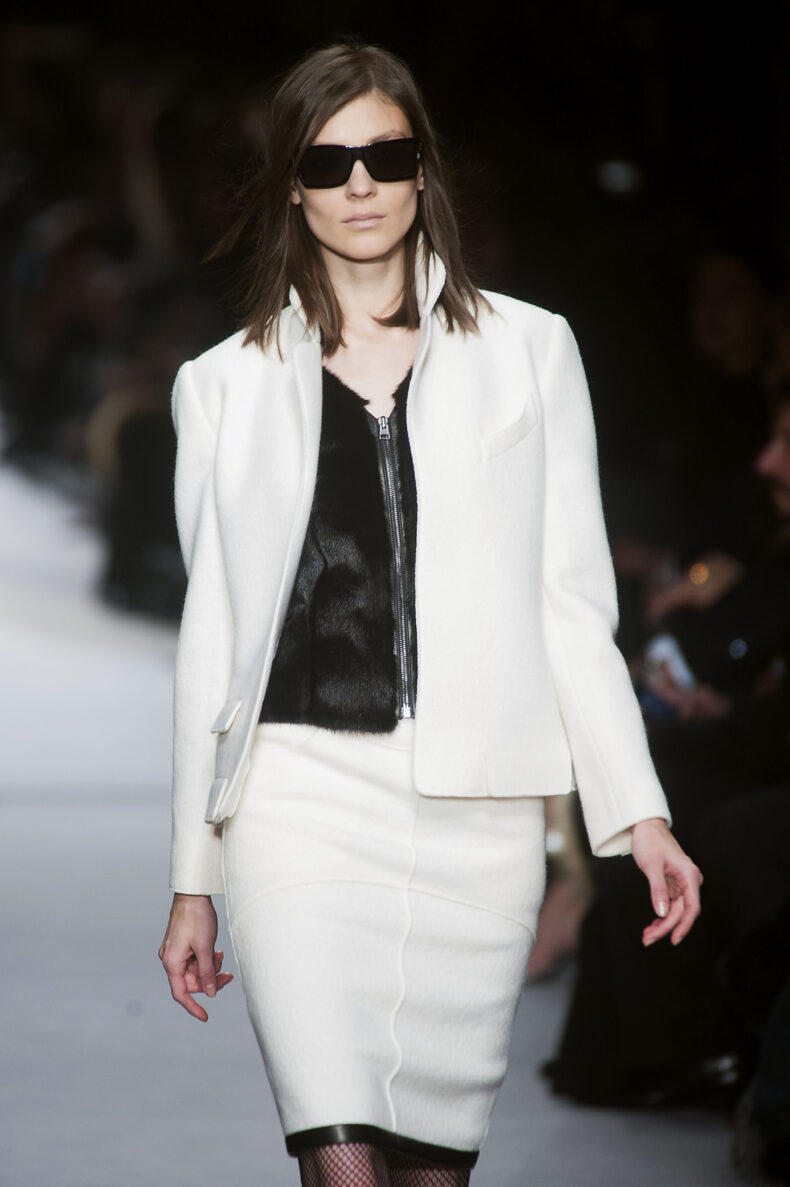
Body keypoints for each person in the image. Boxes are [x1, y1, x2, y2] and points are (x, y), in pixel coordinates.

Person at [157, 41, 702, 1187]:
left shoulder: (530, 350)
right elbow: (215, 645)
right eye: (328, 162)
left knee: (432, 1171)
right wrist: (192, 874)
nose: (360, 184)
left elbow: (571, 605)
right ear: (291, 185)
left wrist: (638, 813)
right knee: (341, 1154)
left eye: (386, 155)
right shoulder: (221, 386)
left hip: (479, 815)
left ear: (422, 169)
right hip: (298, 801)